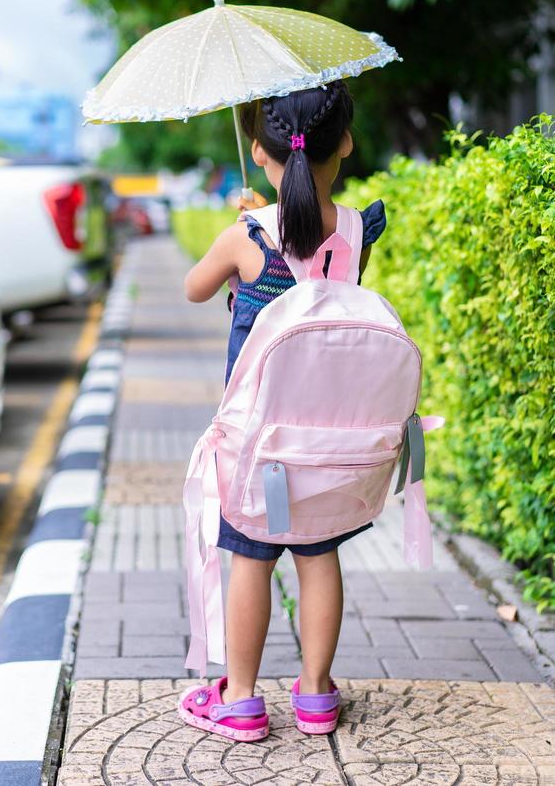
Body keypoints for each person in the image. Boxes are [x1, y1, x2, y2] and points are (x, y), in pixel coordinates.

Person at [180, 80, 386, 739]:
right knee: (318, 554)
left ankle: (239, 698)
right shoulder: (359, 231)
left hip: (257, 446)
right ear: (345, 143)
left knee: (252, 557)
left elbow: (192, 289)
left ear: (259, 153)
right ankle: (317, 695)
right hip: (329, 436)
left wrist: (242, 231)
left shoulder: (246, 238)